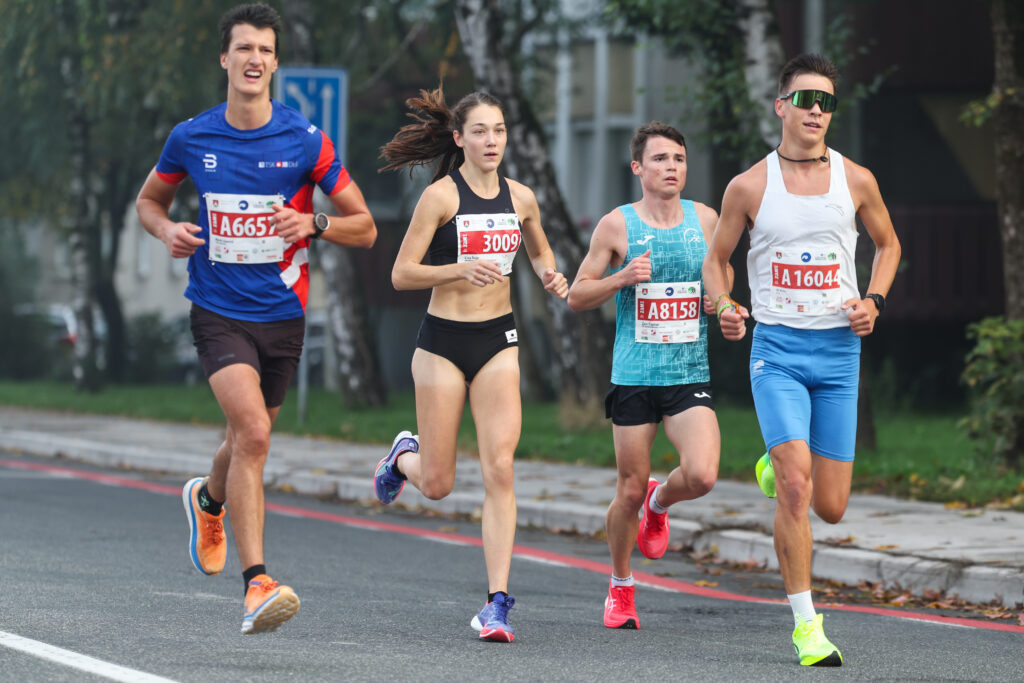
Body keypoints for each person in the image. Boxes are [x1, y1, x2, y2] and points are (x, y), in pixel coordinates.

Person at [135, 3, 376, 635]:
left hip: (283, 316)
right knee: (255, 437)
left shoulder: (305, 140)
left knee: (246, 442)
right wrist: (166, 231)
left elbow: (366, 226)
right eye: (244, 48)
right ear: (225, 58)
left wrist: (314, 223)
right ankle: (257, 584)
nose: (255, 59)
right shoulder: (193, 136)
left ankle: (207, 499)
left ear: (275, 62)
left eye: (266, 50)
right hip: (217, 311)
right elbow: (149, 200)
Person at [702, 54, 900, 666]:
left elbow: (889, 245)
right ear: (781, 105)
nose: (817, 110)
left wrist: (874, 299)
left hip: (839, 352)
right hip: (779, 349)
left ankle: (775, 457)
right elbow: (719, 260)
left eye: (827, 102)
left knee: (830, 504)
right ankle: (807, 625)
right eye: (806, 99)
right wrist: (724, 304)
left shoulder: (857, 178)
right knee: (794, 486)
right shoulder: (750, 185)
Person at [374, 87, 568, 643]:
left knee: (500, 467)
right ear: (459, 139)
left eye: (499, 130)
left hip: (497, 340)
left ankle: (497, 603)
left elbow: (539, 249)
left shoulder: (522, 197)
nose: (491, 141)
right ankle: (403, 456)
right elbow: (401, 274)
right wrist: (458, 268)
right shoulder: (440, 197)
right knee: (437, 484)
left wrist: (551, 274)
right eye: (480, 131)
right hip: (441, 342)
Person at [567, 122, 726, 630]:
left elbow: (721, 273)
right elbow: (576, 295)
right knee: (627, 490)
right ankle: (620, 585)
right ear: (638, 168)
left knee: (701, 473)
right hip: (635, 374)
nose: (671, 167)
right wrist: (621, 278)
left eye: (678, 158)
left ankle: (662, 502)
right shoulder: (617, 226)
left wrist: (721, 304)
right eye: (659, 159)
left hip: (687, 371)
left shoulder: (705, 218)